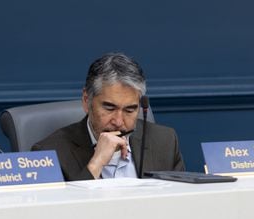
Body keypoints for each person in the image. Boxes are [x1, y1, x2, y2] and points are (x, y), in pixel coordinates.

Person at [32, 53, 185, 181]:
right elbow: (57, 214)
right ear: (87, 101)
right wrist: (96, 164)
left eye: (130, 110)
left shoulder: (165, 142)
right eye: (109, 108)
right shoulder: (49, 154)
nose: (118, 122)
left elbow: (181, 205)